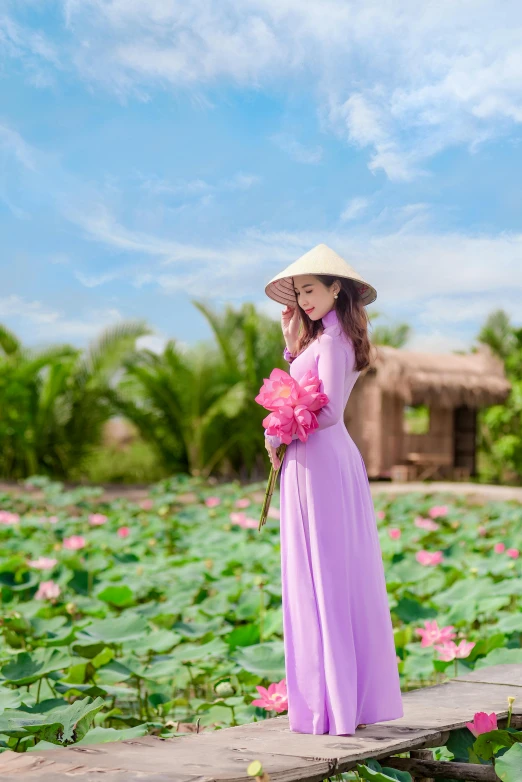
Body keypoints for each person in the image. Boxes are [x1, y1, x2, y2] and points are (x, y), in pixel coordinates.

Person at [263, 243, 403, 736]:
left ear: (335, 288)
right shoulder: (331, 339)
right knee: (322, 575)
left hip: (319, 457)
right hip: (317, 460)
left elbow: (324, 412)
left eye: (310, 290)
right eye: (298, 293)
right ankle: (335, 701)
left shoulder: (333, 343)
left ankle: (333, 707)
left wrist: (279, 427)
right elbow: (311, 382)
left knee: (322, 576)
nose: (303, 300)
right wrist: (289, 343)